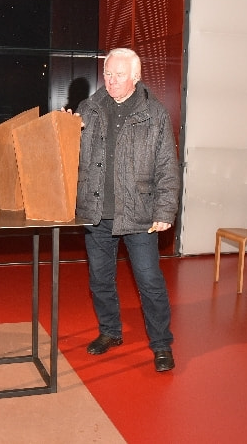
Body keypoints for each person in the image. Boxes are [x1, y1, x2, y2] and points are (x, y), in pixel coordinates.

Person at [64, 48, 181, 372]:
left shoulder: (154, 113)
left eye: (119, 75)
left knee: (150, 282)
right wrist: (66, 132)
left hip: (139, 213)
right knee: (100, 279)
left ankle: (161, 344)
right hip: (96, 211)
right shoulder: (88, 108)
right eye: (108, 74)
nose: (112, 81)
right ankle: (110, 331)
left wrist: (165, 211)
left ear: (136, 77)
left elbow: (167, 166)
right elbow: (71, 158)